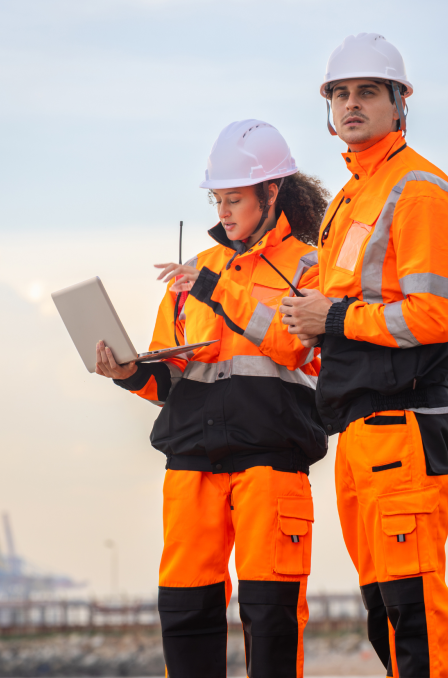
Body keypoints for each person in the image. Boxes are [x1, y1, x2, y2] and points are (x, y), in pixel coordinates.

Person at [94, 119, 330, 677]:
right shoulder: (195, 274)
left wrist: (217, 290)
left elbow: (295, 349)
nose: (222, 212)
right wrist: (128, 373)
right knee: (185, 609)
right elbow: (169, 383)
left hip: (270, 463)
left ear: (272, 193)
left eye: (234, 199)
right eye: (216, 199)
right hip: (191, 464)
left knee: (270, 613)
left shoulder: (311, 268)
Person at [280, 34, 448, 678]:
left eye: (367, 92)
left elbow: (430, 316)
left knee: (412, 605)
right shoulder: (347, 199)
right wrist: (312, 324)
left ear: (399, 103)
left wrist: (329, 316)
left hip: (403, 424)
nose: (352, 104)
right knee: (382, 610)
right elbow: (345, 313)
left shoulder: (417, 192)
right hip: (358, 430)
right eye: (340, 94)